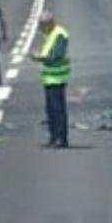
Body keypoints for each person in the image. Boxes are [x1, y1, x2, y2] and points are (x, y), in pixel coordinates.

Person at [32, 11, 71, 148]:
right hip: (49, 78)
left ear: (49, 23)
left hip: (57, 78)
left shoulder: (60, 34)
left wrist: (40, 58)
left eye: (42, 25)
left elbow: (56, 55)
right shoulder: (50, 34)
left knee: (58, 109)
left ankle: (61, 138)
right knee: (50, 110)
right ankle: (53, 136)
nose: (40, 28)